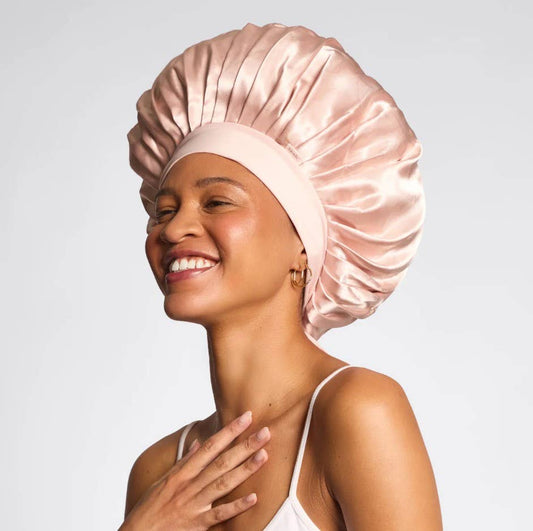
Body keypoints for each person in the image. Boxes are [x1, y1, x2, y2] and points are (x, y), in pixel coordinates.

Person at [120, 22, 442, 530]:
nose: (174, 229)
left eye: (217, 202)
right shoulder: (158, 471)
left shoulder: (357, 411)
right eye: (163, 211)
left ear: (302, 247)